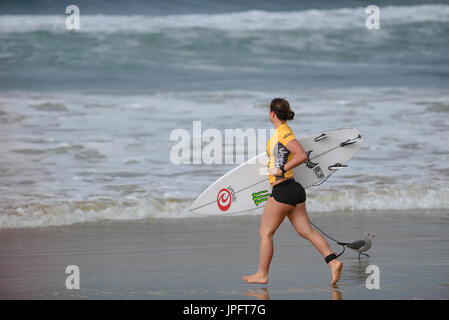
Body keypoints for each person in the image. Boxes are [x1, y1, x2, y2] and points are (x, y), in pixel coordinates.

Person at [242, 98, 343, 285]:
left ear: (272, 113)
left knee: (265, 233)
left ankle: (262, 274)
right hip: (294, 190)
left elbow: (301, 155)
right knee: (306, 231)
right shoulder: (280, 134)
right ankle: (333, 261)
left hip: (283, 190)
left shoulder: (284, 133)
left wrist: (280, 169)